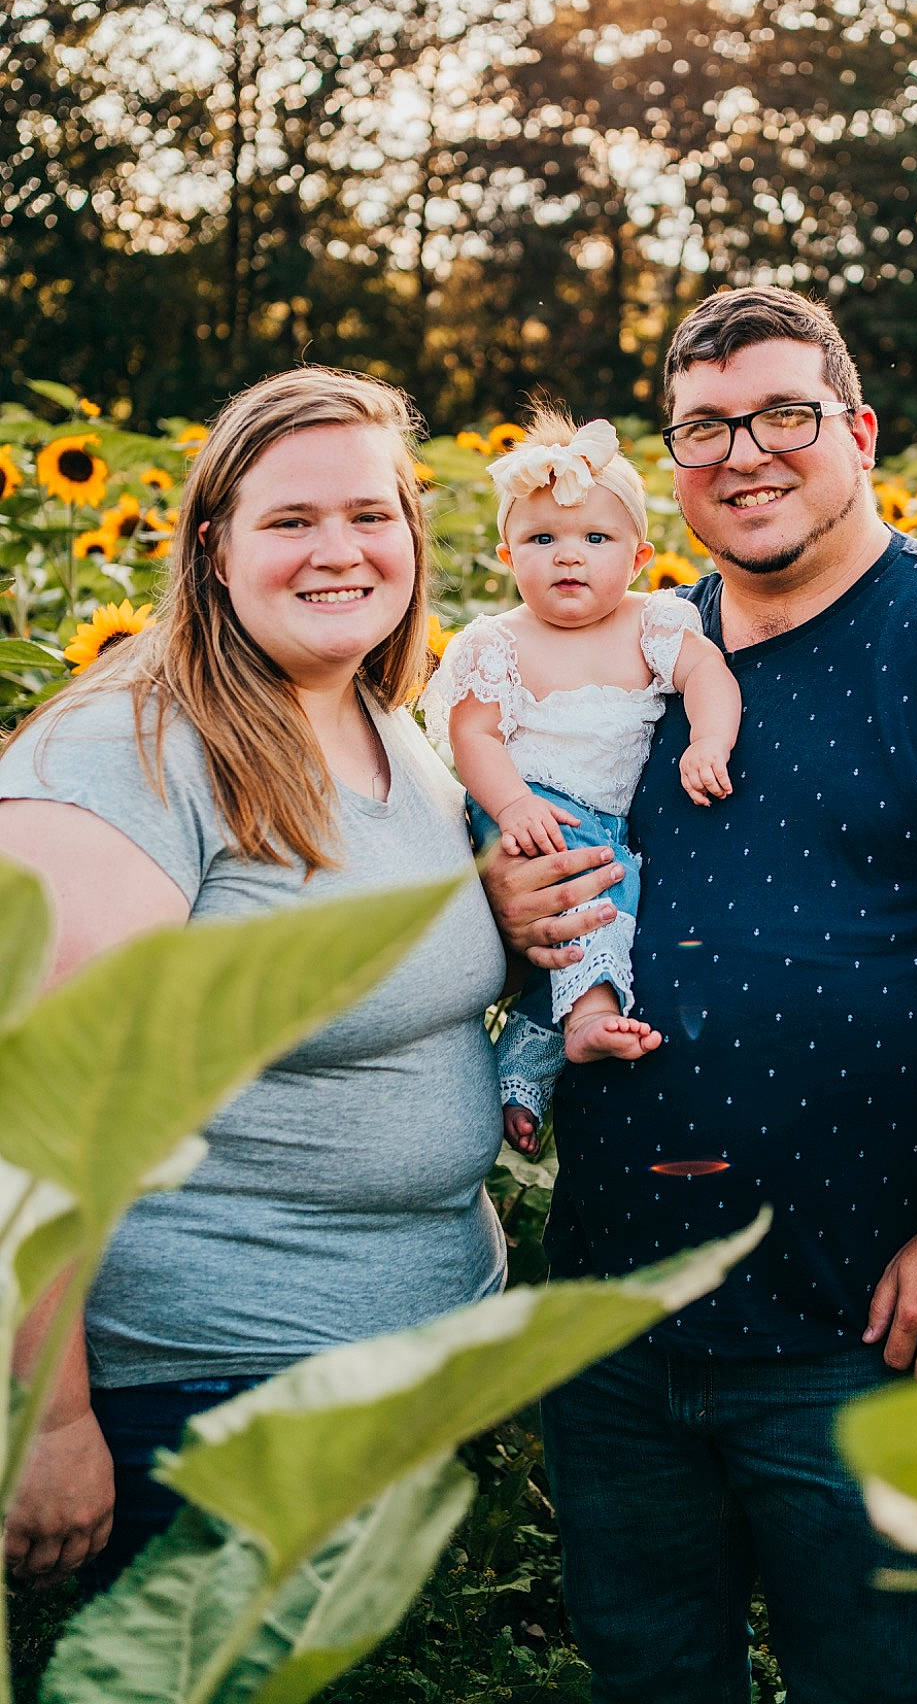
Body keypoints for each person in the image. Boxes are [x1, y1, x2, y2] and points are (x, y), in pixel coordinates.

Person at [484, 287, 917, 1704]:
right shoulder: (626, 653)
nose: (744, 453)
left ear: (855, 432)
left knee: (862, 1677)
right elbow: (525, 860)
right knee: (648, 1672)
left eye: (783, 414)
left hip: (852, 1317)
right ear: (668, 467)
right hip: (616, 1310)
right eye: (703, 428)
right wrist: (502, 900)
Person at [0, 367, 511, 1588]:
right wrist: (45, 1420)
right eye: (291, 520)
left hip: (393, 1369)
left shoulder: (379, 720)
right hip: (207, 1396)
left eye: (370, 514)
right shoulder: (123, 751)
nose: (339, 550)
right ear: (213, 547)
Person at [423, 404, 741, 1153]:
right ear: (506, 555)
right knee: (598, 891)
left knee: (569, 932)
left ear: (637, 556)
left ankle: (522, 1076)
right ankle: (592, 1021)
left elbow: (710, 674)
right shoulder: (497, 640)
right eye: (542, 539)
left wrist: (710, 742)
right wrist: (512, 803)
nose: (570, 556)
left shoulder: (652, 624)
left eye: (595, 539)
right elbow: (474, 736)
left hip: (600, 816)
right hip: (523, 803)